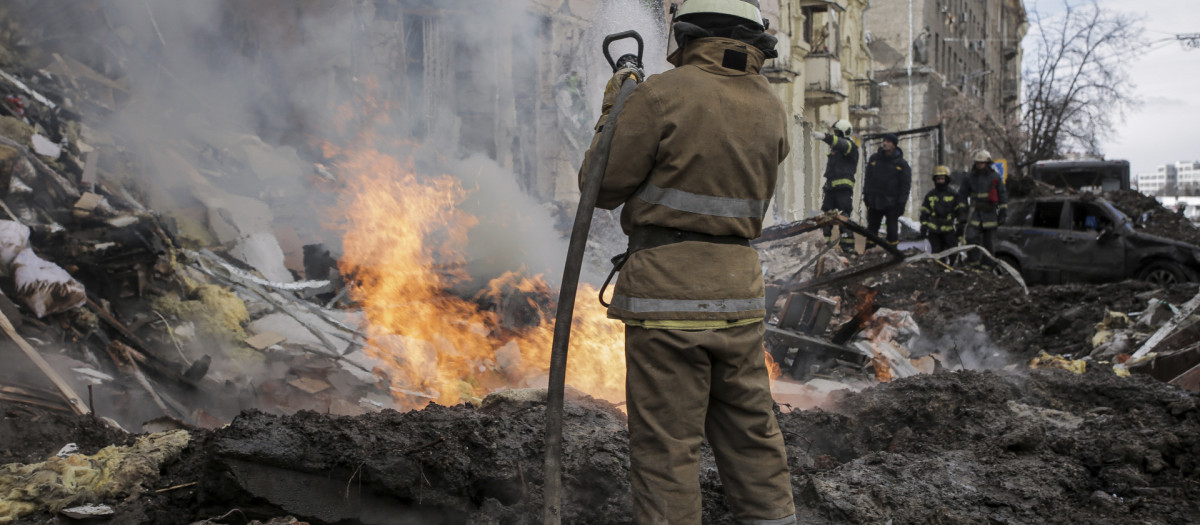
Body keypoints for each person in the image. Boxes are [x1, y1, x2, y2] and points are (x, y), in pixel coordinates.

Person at [578, 1, 797, 523]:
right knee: (753, 439)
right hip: (740, 300)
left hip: (667, 300)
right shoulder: (771, 107)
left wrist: (615, 109)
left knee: (667, 451)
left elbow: (600, 187)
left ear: (686, 30)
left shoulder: (661, 94)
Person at [812, 119, 859, 253]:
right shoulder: (836, 151)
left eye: (838, 132)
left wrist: (825, 136)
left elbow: (841, 144)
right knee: (825, 217)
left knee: (843, 218)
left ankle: (848, 247)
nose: (836, 134)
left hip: (843, 191)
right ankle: (823, 245)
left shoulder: (850, 146)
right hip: (831, 190)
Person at [958, 149, 1008, 267]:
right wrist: (962, 213)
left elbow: (1002, 194)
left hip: (990, 214)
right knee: (970, 238)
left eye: (982, 163)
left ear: (987, 163)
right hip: (975, 213)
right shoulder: (969, 177)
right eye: (977, 162)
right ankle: (973, 264)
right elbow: (962, 195)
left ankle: (987, 267)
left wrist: (1003, 212)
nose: (979, 165)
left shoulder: (995, 177)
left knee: (989, 243)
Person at [862, 133, 912, 247]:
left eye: (888, 142)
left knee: (892, 229)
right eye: (884, 141)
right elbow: (868, 178)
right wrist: (866, 194)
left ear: (894, 145)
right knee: (872, 229)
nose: (885, 143)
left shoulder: (901, 164)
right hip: (875, 200)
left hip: (892, 203)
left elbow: (905, 185)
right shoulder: (874, 159)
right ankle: (869, 251)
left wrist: (901, 203)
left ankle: (892, 253)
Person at [919, 165, 966, 257]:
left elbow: (960, 213)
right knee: (937, 255)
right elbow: (924, 213)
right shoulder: (930, 195)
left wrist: (960, 230)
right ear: (935, 180)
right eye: (938, 179)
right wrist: (924, 227)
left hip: (949, 231)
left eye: (942, 179)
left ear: (947, 179)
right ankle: (938, 270)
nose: (940, 181)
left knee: (953, 254)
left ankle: (952, 270)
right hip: (934, 231)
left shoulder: (954, 195)